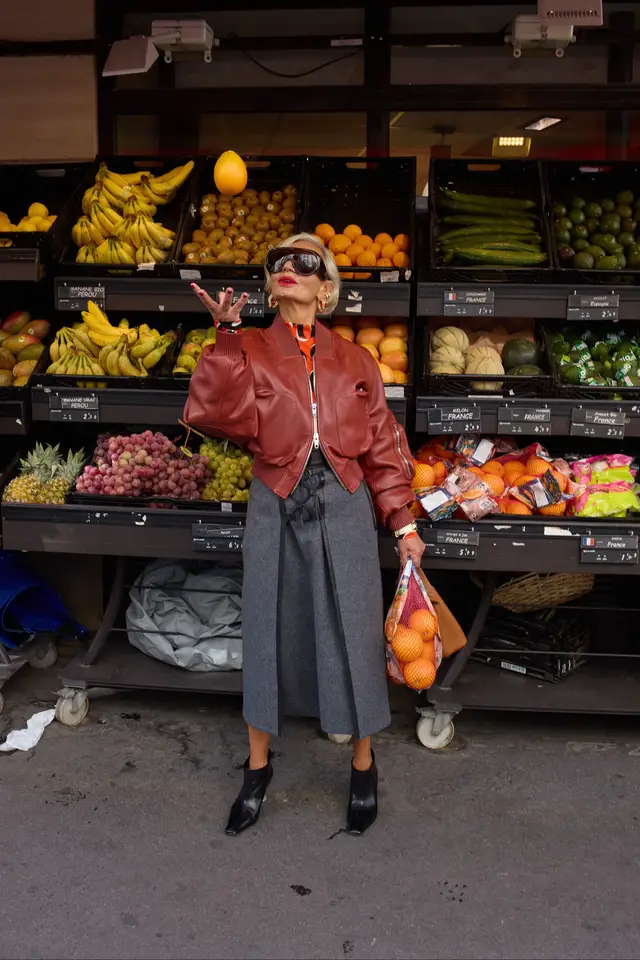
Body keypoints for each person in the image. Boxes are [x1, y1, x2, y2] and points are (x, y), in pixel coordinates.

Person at [184, 233, 425, 837]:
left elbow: (383, 446)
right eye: (279, 263)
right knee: (265, 627)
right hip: (275, 499)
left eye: (306, 263)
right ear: (270, 284)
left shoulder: (356, 360)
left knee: (355, 629)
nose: (290, 269)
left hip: (344, 500)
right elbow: (214, 415)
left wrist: (404, 522)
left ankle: (363, 765)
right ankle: (258, 767)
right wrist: (225, 339)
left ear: (327, 287)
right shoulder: (249, 349)